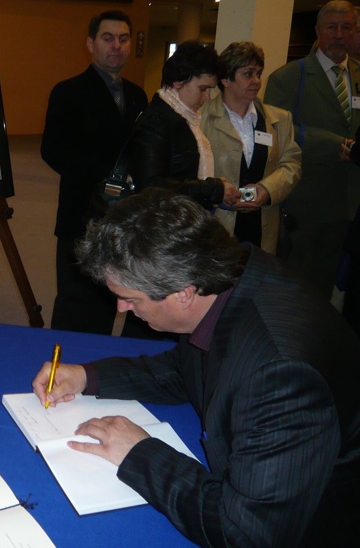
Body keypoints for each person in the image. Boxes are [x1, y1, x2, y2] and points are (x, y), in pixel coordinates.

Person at [32, 190, 360, 547]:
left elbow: (246, 533)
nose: (122, 308)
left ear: (183, 294)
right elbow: (187, 369)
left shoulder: (280, 377)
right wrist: (87, 377)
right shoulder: (225, 277)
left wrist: (139, 454)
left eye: (130, 298)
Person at [41, 10, 148, 335]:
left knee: (113, 299)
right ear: (91, 44)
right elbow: (52, 151)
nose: (116, 45)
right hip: (81, 214)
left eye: (123, 39)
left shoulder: (137, 96)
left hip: (124, 218)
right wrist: (105, 178)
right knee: (76, 303)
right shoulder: (68, 92)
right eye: (107, 38)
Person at [264, 0, 360, 298]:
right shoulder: (289, 77)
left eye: (347, 27)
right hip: (304, 203)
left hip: (350, 204)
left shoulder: (358, 74)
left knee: (331, 289)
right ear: (318, 30)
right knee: (296, 287)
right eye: (332, 27)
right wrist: (331, 144)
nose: (339, 35)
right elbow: (276, 132)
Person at [201, 41, 302, 254]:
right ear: (226, 80)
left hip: (263, 228)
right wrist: (219, 195)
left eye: (258, 73)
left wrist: (267, 189)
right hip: (215, 226)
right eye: (248, 74)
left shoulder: (280, 119)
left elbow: (291, 164)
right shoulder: (201, 118)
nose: (257, 81)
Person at [126, 40, 241, 210]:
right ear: (178, 82)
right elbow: (150, 186)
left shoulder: (183, 117)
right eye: (203, 89)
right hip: (162, 220)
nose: (207, 98)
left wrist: (214, 190)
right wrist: (212, 189)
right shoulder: (156, 121)